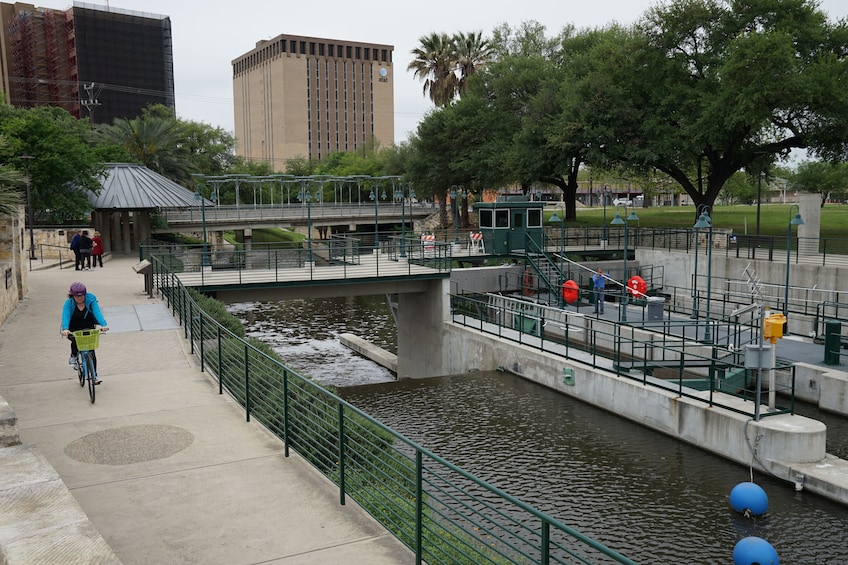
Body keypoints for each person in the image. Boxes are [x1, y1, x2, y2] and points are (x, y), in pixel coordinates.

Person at [60, 282, 109, 384]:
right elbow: (65, 316)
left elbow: (97, 312)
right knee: (74, 340)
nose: (79, 298)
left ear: (85, 294)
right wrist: (65, 329)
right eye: (77, 296)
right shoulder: (69, 303)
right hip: (73, 327)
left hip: (88, 326)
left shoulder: (91, 300)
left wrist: (103, 325)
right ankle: (74, 356)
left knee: (91, 351)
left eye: (82, 296)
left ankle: (94, 376)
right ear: (72, 295)